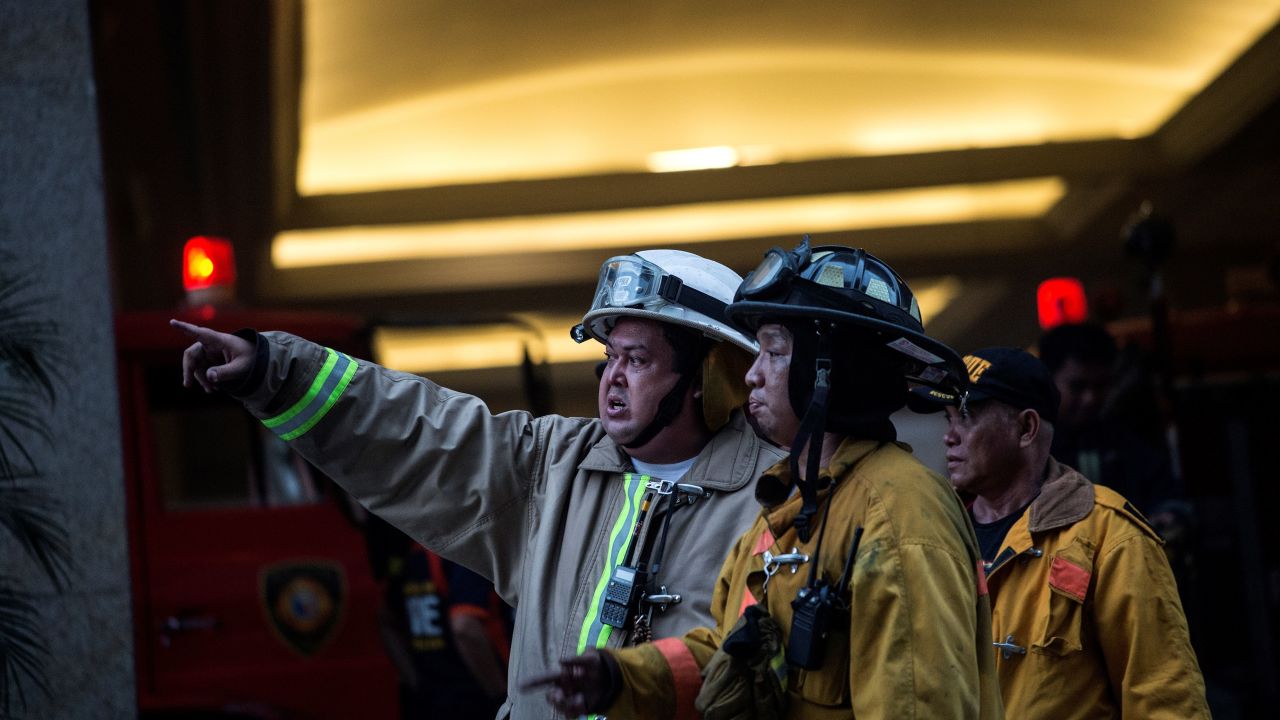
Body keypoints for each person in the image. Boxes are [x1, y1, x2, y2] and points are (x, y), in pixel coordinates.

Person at [172, 249, 786, 719]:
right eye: (609, 357)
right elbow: (419, 432)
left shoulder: (776, 502)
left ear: (712, 376)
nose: (612, 379)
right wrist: (272, 372)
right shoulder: (552, 466)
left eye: (639, 359)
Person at [534, 239, 1002, 719]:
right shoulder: (791, 509)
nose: (752, 376)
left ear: (829, 372)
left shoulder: (899, 511)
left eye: (773, 353)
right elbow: (730, 654)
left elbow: (915, 705)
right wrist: (624, 677)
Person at [913, 346, 1210, 718]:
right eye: (948, 417)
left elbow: (1163, 698)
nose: (949, 436)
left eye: (967, 417)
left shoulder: (1109, 536)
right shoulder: (933, 534)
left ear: (1026, 428)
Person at [362, 512, 510, 718]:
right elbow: (465, 628)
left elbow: (385, 618)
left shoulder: (410, 555)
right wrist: (501, 696)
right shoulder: (461, 553)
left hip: (431, 700)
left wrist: (414, 680)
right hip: (476, 699)